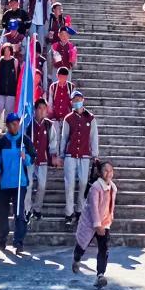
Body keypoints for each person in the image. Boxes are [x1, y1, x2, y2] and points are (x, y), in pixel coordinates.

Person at [0, 112, 35, 255]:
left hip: (20, 183)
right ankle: (2, 239)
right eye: (11, 124)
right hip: (4, 184)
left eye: (16, 123)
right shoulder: (1, 142)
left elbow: (32, 158)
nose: (14, 126)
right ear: (7, 125)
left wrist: (26, 156)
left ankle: (19, 241)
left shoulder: (25, 140)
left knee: (19, 213)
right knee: (3, 214)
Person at [73, 160, 117, 289]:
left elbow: (110, 206)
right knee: (82, 245)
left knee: (104, 249)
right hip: (90, 222)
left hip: (104, 222)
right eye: (105, 171)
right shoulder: (96, 187)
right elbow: (94, 208)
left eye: (111, 171)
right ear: (100, 172)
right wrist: (97, 225)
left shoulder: (113, 187)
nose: (108, 173)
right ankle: (76, 259)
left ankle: (100, 275)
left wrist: (109, 219)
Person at [60, 91, 99, 228]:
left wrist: (95, 154)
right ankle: (69, 213)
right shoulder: (68, 118)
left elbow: (94, 137)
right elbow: (64, 137)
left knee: (83, 183)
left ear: (83, 99)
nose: (77, 101)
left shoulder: (90, 118)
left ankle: (79, 210)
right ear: (71, 101)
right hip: (70, 155)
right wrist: (61, 154)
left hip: (84, 155)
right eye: (74, 99)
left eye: (79, 99)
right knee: (69, 184)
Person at [28, 99, 57, 221]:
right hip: (29, 160)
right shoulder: (28, 124)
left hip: (42, 159)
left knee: (42, 185)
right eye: (40, 108)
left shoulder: (49, 125)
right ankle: (27, 209)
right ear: (35, 110)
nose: (42, 111)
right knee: (28, 185)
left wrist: (53, 155)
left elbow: (53, 142)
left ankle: (37, 209)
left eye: (44, 109)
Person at [0, 43, 19, 126]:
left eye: (8, 50)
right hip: (1, 90)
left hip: (11, 90)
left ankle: (8, 127)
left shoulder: (15, 61)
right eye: (5, 50)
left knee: (9, 110)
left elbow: (16, 75)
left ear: (11, 51)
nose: (7, 52)